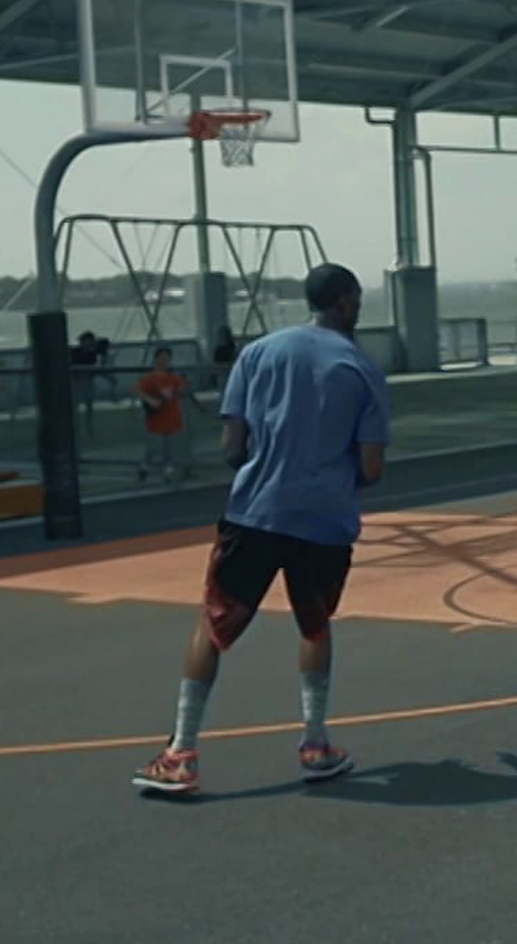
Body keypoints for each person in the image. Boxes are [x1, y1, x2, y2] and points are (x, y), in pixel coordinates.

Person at [131, 263, 391, 794]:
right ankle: (315, 743)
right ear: (345, 302)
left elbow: (232, 445)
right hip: (324, 520)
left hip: (257, 510)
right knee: (314, 626)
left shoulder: (258, 354)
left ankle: (181, 752)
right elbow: (371, 468)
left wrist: (265, 464)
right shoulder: (362, 369)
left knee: (213, 624)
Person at [136, 346, 194, 484]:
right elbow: (139, 391)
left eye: (167, 359)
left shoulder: (173, 378)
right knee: (154, 447)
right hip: (156, 418)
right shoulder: (149, 379)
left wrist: (185, 385)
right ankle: (145, 466)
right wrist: (151, 400)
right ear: (156, 359)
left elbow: (181, 391)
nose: (164, 362)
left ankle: (168, 472)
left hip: (172, 416)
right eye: (162, 358)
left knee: (170, 447)